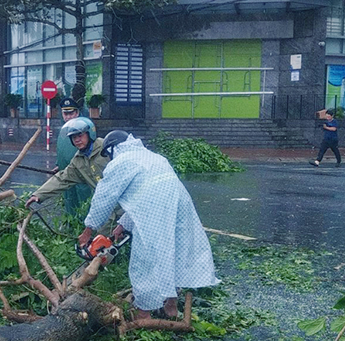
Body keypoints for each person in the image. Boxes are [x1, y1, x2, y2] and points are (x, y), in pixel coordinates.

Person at [79, 131, 218, 320]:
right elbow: (144, 194)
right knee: (173, 252)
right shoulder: (152, 156)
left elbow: (104, 198)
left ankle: (143, 314)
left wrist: (88, 230)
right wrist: (122, 226)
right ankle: (171, 307)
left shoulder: (121, 161)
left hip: (156, 206)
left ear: (113, 149)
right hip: (179, 202)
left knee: (145, 259)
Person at [25, 116, 106, 209]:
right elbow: (62, 179)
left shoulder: (107, 148)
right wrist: (38, 195)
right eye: (73, 137)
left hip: (123, 206)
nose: (77, 140)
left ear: (90, 134)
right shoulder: (78, 161)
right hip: (105, 207)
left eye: (80, 135)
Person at [54, 100, 93, 215]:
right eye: (65, 114)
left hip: (82, 175)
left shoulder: (85, 128)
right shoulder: (64, 130)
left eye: (71, 113)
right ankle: (71, 228)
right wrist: (58, 164)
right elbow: (62, 150)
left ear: (77, 113)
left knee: (83, 204)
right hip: (66, 174)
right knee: (69, 203)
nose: (68, 117)